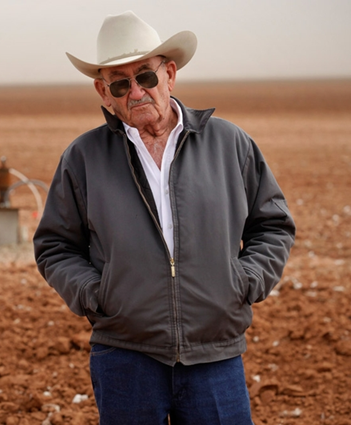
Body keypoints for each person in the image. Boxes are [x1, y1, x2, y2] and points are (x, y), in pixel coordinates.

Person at [33, 11, 295, 424]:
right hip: (124, 356)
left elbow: (273, 226)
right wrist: (96, 296)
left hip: (216, 354)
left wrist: (243, 282)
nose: (135, 91)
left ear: (169, 74)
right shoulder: (83, 158)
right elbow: (55, 246)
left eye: (146, 76)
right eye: (120, 83)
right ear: (104, 93)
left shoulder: (230, 144)